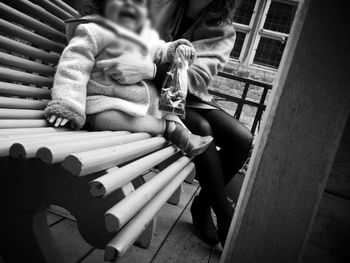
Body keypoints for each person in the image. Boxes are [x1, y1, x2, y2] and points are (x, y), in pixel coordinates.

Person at [100, 0, 254, 246]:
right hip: (146, 92)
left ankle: (203, 204)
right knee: (201, 129)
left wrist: (150, 68)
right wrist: (148, 66)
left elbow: (196, 77)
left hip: (185, 95)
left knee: (242, 139)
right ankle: (225, 214)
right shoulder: (160, 4)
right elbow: (128, 36)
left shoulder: (223, 30)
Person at [45, 0, 213, 157]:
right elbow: (73, 67)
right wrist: (67, 103)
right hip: (104, 102)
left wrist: (176, 49)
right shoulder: (93, 31)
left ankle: (187, 137)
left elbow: (160, 50)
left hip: (142, 105)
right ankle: (169, 129)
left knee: (168, 111)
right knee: (106, 118)